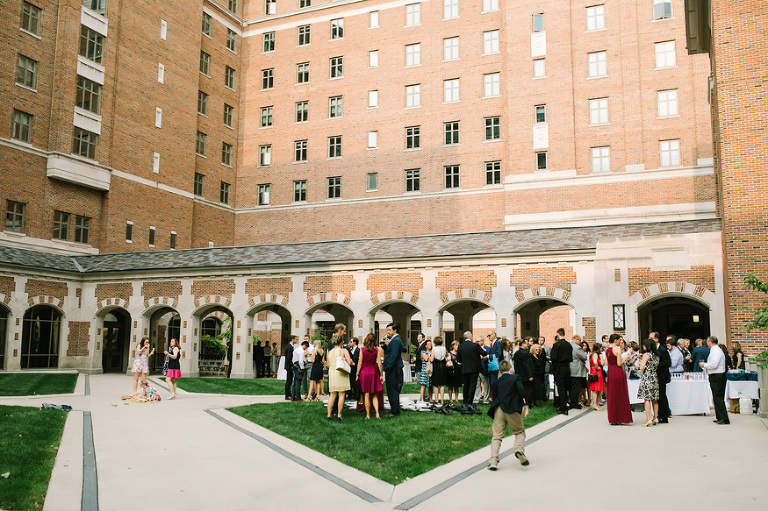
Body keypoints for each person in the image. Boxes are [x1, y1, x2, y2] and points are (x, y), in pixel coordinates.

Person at [487, 360, 529, 470]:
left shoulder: (496, 382)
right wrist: (525, 404)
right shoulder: (515, 378)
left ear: (500, 372)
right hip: (512, 409)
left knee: (497, 436)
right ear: (510, 369)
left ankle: (493, 460)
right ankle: (518, 450)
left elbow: (494, 396)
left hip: (499, 409)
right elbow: (521, 390)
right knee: (519, 432)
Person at [701, 336, 729, 425]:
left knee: (718, 397)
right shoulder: (715, 350)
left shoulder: (716, 351)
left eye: (707, 342)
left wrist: (704, 365)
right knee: (717, 397)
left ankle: (723, 418)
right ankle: (720, 417)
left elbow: (714, 364)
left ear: (710, 342)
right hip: (716, 375)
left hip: (717, 376)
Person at [456, 330, 486, 414]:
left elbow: (458, 359)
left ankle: (465, 401)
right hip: (474, 369)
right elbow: (483, 353)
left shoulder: (461, 346)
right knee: (472, 385)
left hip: (464, 368)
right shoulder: (475, 346)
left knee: (466, 385)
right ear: (470, 337)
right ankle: (469, 402)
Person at [605, 333, 632, 425]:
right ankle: (621, 417)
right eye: (619, 340)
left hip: (611, 372)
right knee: (620, 395)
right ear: (615, 340)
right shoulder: (617, 350)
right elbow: (619, 363)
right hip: (618, 372)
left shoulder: (607, 350)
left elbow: (606, 363)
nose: (620, 342)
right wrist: (626, 358)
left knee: (612, 394)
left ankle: (613, 418)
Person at [326, 334, 353, 420]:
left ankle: (329, 415)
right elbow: (349, 362)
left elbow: (327, 365)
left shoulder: (329, 352)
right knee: (341, 395)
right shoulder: (343, 351)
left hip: (332, 374)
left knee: (332, 395)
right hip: (341, 373)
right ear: (341, 342)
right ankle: (339, 415)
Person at [357, 333, 383, 419]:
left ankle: (368, 415)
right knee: (375, 394)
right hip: (374, 372)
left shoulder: (362, 349)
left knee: (366, 394)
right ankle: (377, 413)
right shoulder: (376, 350)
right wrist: (381, 374)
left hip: (364, 372)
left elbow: (360, 363)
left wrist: (357, 373)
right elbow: (379, 363)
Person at [383, 322, 406, 417]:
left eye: (389, 330)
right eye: (387, 330)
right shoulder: (395, 340)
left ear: (395, 330)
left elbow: (393, 356)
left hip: (393, 369)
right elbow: (401, 349)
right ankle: (394, 409)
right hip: (394, 368)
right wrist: (385, 346)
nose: (388, 332)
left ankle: (395, 411)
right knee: (392, 390)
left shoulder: (396, 340)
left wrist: (388, 367)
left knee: (393, 390)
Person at [550, 330, 573, 415]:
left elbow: (554, 357)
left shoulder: (557, 345)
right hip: (567, 368)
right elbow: (571, 358)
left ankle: (563, 407)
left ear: (558, 334)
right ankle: (566, 403)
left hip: (559, 368)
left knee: (561, 388)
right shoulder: (569, 345)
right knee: (566, 387)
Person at [637, 338, 660, 427]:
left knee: (647, 399)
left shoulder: (647, 355)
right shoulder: (656, 355)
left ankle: (648, 419)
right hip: (654, 377)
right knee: (655, 399)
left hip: (647, 377)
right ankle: (655, 417)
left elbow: (642, 367)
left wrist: (639, 363)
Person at [651, 332, 671, 423]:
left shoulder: (662, 350)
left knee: (662, 396)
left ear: (656, 339)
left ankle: (664, 415)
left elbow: (668, 363)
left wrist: (656, 364)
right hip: (655, 376)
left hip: (662, 376)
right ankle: (658, 414)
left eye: (651, 338)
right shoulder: (652, 350)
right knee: (657, 396)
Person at [513, 338, 534, 407]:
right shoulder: (525, 353)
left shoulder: (516, 353)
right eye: (525, 343)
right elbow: (527, 365)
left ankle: (520, 402)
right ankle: (527, 403)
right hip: (525, 375)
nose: (527, 345)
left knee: (520, 389)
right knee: (527, 390)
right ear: (522, 344)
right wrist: (530, 375)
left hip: (518, 374)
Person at [568, 336, 588, 409]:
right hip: (577, 369)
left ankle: (571, 401)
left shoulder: (568, 345)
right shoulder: (577, 347)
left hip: (570, 368)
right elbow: (584, 357)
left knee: (571, 387)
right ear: (576, 340)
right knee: (576, 387)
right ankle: (574, 402)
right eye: (580, 340)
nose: (580, 342)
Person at [588, 343, 604, 411]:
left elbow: (603, 363)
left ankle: (597, 403)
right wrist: (597, 367)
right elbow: (595, 362)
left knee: (599, 389)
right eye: (600, 348)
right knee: (596, 389)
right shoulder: (595, 354)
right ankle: (595, 403)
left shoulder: (597, 354)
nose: (601, 349)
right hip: (596, 371)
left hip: (596, 371)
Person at [431, 336, 448, 404]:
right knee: (442, 384)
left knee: (435, 384)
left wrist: (429, 356)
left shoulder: (434, 349)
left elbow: (432, 359)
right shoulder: (444, 348)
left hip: (436, 365)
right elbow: (447, 355)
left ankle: (436, 400)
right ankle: (442, 400)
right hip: (443, 365)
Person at [487, 332, 503, 400]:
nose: (488, 337)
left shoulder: (498, 343)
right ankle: (494, 397)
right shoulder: (493, 344)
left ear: (494, 335)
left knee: (494, 382)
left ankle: (495, 398)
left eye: (489, 335)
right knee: (492, 382)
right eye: (487, 336)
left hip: (496, 366)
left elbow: (498, 354)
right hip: (493, 366)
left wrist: (488, 356)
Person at [347, 337, 360, 401]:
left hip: (355, 368)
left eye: (351, 342)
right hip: (350, 368)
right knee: (350, 381)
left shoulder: (358, 350)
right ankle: (350, 394)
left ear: (355, 342)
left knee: (355, 382)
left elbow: (359, 360)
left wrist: (355, 363)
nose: (350, 343)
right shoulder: (350, 350)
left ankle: (356, 395)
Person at [283, 336, 296, 400]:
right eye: (295, 339)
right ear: (292, 339)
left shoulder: (289, 346)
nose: (296, 340)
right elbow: (289, 357)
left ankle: (288, 393)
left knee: (289, 380)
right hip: (289, 366)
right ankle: (287, 394)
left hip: (288, 366)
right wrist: (290, 366)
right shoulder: (290, 347)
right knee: (289, 380)